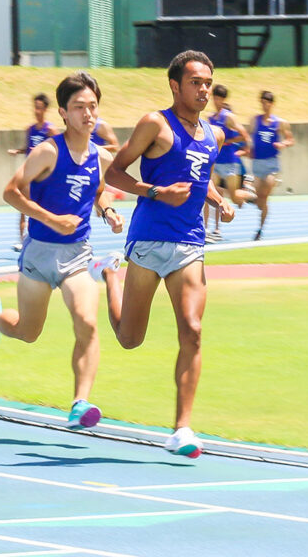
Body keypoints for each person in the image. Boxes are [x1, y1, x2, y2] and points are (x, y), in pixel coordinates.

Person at [98, 50, 235, 458]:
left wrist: (219, 200)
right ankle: (109, 277)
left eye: (208, 82)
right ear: (175, 85)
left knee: (192, 330)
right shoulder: (155, 123)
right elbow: (114, 173)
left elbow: (199, 178)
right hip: (148, 239)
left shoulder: (216, 135)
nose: (204, 89)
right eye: (196, 82)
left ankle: (182, 429)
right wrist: (155, 191)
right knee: (129, 339)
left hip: (190, 244)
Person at [0, 72, 124, 430]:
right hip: (40, 254)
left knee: (88, 323)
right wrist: (51, 219)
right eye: (79, 107)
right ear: (63, 112)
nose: (87, 114)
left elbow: (99, 189)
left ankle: (80, 403)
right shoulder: (47, 152)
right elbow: (12, 192)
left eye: (92, 107)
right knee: (29, 332)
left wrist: (107, 210)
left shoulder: (100, 156)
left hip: (77, 255)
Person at [8, 93, 58, 251]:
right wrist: (18, 151)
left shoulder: (50, 130)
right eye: (35, 108)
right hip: (29, 173)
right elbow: (28, 147)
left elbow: (60, 149)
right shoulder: (30, 129)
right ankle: (23, 240)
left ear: (46, 110)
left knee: (42, 208)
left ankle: (44, 238)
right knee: (23, 207)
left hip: (44, 176)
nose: (37, 111)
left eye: (40, 108)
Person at [205, 86, 253, 242]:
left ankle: (249, 193)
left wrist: (229, 142)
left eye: (219, 99)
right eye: (214, 98)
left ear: (224, 100)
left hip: (231, 163)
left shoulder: (228, 117)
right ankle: (208, 230)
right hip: (217, 162)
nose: (216, 101)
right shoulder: (210, 118)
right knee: (208, 194)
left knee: (234, 197)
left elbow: (244, 135)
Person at [249, 90, 294, 241]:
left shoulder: (279, 123)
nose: (265, 106)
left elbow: (290, 140)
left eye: (267, 103)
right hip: (257, 163)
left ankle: (260, 229)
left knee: (265, 193)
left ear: (272, 104)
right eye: (262, 103)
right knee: (259, 200)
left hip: (271, 164)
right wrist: (246, 149)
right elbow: (248, 138)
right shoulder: (255, 120)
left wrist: (282, 144)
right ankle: (259, 204)